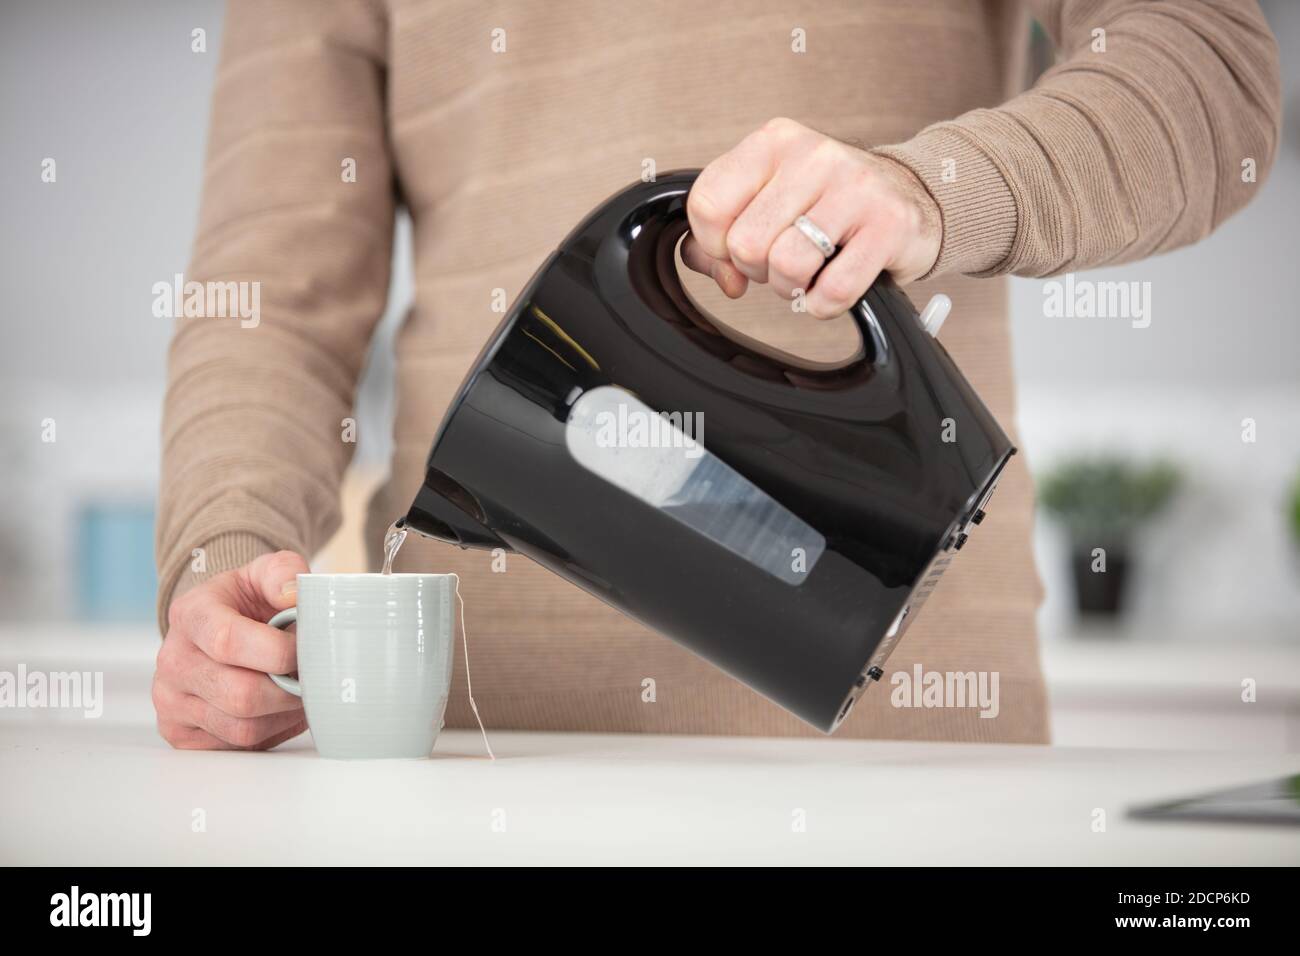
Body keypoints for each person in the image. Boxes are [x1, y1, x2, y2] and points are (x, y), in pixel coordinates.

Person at [152, 0, 1281, 750]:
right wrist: (226, 563)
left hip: (918, 765)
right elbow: (267, 297)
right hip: (494, 760)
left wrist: (935, 189)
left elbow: (1207, 66)